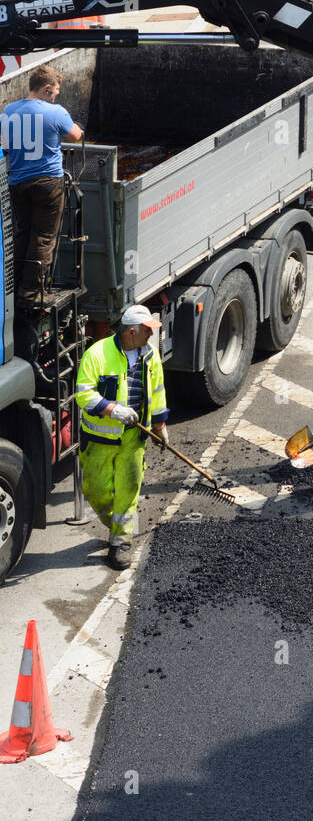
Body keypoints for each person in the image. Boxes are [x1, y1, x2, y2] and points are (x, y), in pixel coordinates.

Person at [75, 304, 169, 570]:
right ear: (131, 332)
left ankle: (120, 542)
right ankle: (116, 523)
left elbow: (159, 391)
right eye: (147, 331)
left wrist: (161, 427)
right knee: (96, 490)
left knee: (128, 489)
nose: (151, 336)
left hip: (133, 439)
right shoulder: (98, 354)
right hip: (98, 440)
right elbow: (83, 394)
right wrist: (113, 410)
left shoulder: (150, 355)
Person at [0, 65, 83, 309]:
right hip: (47, 183)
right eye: (55, 91)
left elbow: (5, 145)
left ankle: (12, 290)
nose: (56, 95)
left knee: (22, 235)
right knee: (43, 238)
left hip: (17, 183)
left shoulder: (8, 111)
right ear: (47, 89)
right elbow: (76, 136)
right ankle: (32, 293)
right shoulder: (55, 112)